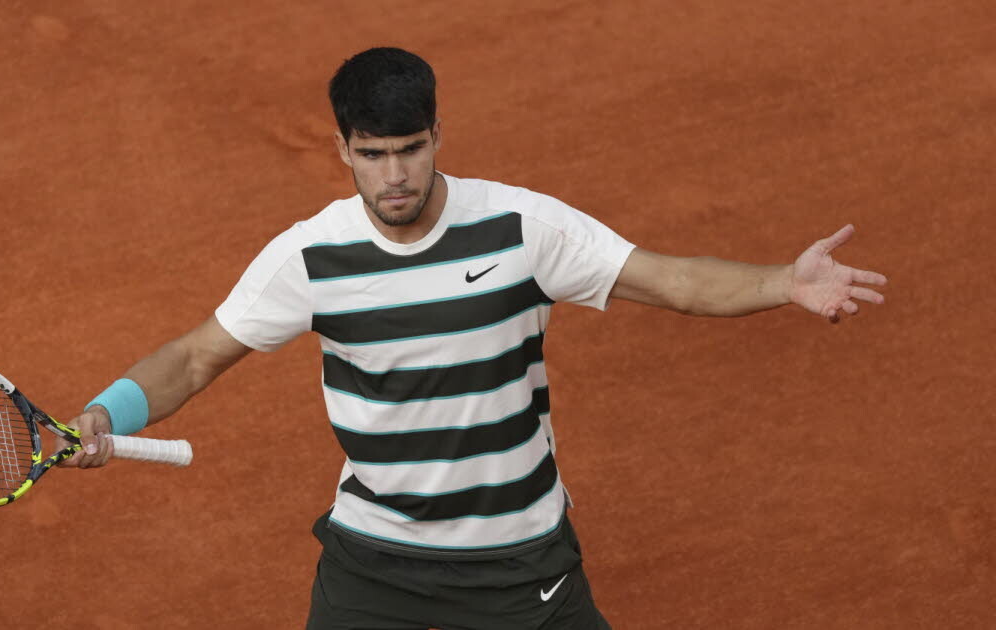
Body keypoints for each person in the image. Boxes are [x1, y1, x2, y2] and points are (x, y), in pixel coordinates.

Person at [61, 47, 887, 629]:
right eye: (374, 155)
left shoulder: (522, 228)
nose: (395, 178)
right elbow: (199, 351)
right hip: (374, 554)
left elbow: (667, 279)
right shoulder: (310, 256)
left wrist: (784, 282)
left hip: (519, 556)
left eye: (411, 150)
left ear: (438, 136)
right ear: (342, 149)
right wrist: (107, 413)